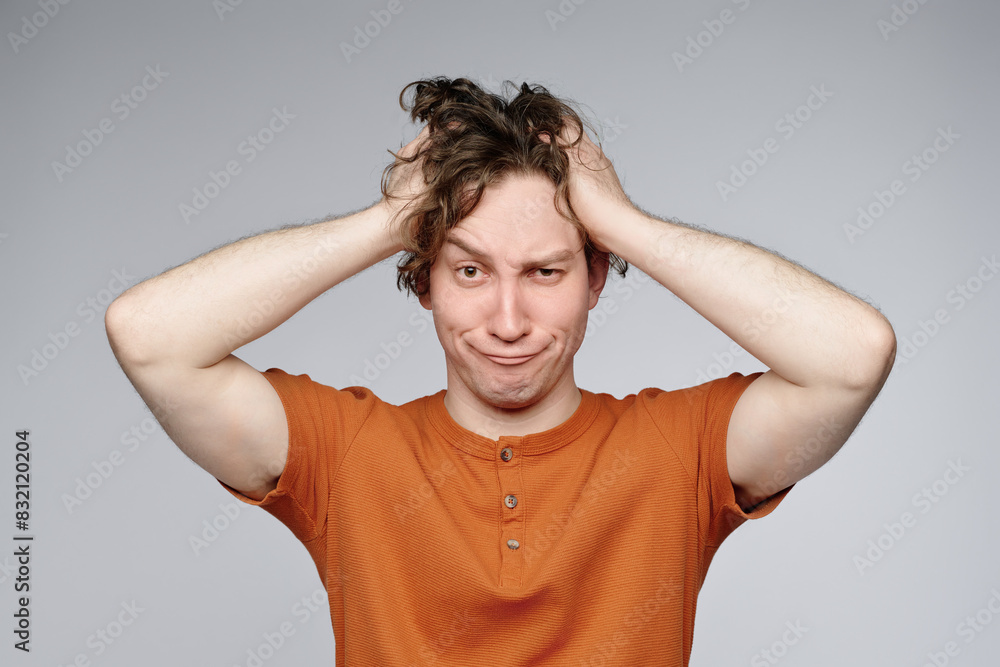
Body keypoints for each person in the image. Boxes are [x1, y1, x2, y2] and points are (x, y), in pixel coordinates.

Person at [105, 77, 896, 665]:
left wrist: (622, 222)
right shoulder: (346, 452)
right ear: (423, 278)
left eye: (546, 272)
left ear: (595, 279)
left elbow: (853, 354)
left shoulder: (676, 448)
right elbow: (147, 333)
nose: (508, 321)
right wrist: (389, 221)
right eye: (471, 271)